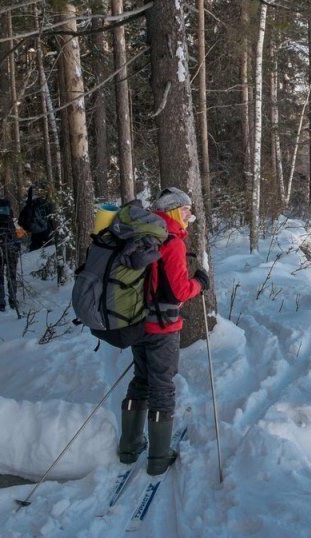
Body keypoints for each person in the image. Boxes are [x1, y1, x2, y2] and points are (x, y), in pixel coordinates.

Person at [117, 187, 210, 475]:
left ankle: (129, 447)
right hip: (162, 327)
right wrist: (201, 282)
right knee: (162, 387)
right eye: (185, 211)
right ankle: (158, 458)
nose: (188, 217)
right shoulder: (171, 243)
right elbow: (179, 291)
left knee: (141, 380)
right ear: (173, 211)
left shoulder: (143, 233)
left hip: (136, 322)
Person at [18, 184, 56, 251]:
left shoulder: (29, 205)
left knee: (35, 250)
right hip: (47, 232)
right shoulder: (46, 203)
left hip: (35, 232)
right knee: (47, 248)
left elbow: (21, 221)